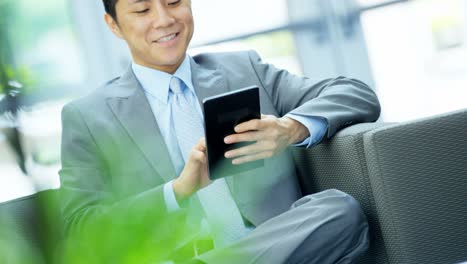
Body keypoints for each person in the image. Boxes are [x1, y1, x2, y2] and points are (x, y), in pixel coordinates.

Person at [59, 0, 381, 263]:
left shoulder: (243, 69)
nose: (164, 19)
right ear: (113, 24)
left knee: (339, 211)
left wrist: (288, 128)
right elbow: (81, 232)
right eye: (142, 10)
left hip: (279, 247)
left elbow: (355, 93)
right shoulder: (88, 118)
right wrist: (178, 191)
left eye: (174, 2)